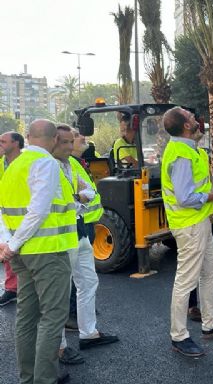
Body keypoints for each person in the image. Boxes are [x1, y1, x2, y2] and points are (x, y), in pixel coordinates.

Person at [0, 119, 78, 384]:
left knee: (26, 316)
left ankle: (28, 378)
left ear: (28, 137)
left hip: (22, 255)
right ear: (55, 138)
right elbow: (39, 210)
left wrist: (9, 244)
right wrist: (12, 244)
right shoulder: (45, 163)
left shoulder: (12, 166)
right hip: (47, 252)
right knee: (53, 317)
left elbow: (3, 211)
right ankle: (44, 379)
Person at [161, 107, 213, 357]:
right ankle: (179, 336)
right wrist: (212, 197)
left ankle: (211, 323)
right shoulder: (182, 154)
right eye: (191, 117)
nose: (195, 119)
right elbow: (184, 197)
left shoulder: (188, 149)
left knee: (210, 270)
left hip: (200, 220)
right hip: (189, 225)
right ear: (186, 125)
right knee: (186, 280)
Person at [53, 125, 118, 366]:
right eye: (65, 142)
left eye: (72, 141)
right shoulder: (48, 166)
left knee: (88, 282)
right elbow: (63, 200)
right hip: (60, 236)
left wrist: (80, 197)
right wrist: (79, 198)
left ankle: (89, 333)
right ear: (52, 141)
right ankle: (59, 347)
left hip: (79, 231)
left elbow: (87, 191)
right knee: (58, 294)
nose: (70, 146)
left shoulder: (70, 164)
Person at [0, 131, 24, 307]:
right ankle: (11, 289)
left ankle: (24, 289)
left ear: (16, 143)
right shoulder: (2, 162)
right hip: (6, 214)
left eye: (3, 141)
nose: (0, 143)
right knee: (8, 250)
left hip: (26, 215)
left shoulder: (28, 162)